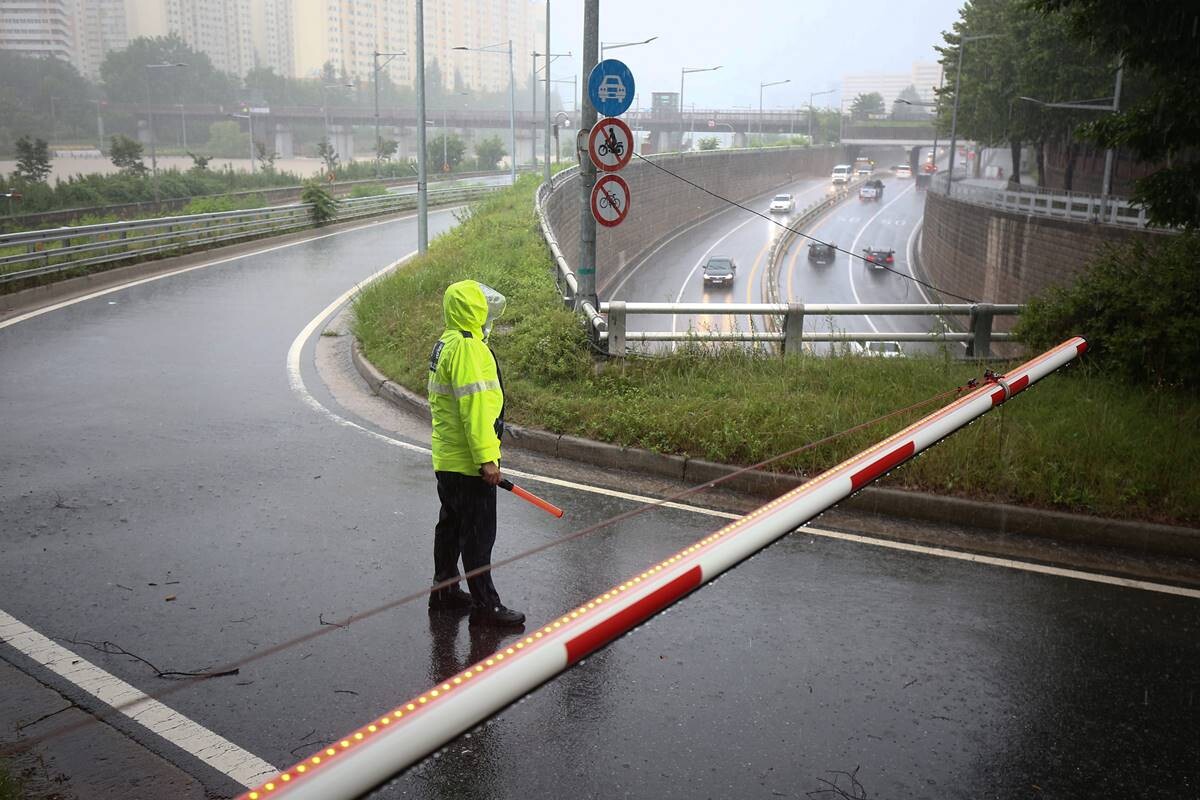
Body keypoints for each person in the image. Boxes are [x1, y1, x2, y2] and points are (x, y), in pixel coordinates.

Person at [426, 279, 525, 628]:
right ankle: (486, 608)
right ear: (473, 309)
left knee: (451, 527)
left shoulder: (447, 342)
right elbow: (476, 408)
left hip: (448, 459)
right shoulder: (470, 348)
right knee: (478, 536)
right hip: (469, 464)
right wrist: (487, 458)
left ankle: (444, 591)